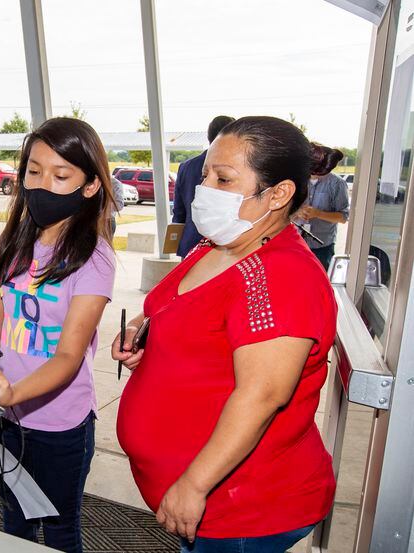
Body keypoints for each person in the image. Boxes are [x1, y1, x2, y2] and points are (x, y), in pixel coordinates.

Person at [112, 116, 336, 553]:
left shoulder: (283, 276)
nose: (204, 187)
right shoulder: (216, 243)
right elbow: (174, 309)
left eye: (224, 178)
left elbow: (261, 396)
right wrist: (143, 332)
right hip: (208, 499)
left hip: (242, 509)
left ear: (279, 194)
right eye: (206, 173)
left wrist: (195, 485)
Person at [0, 117, 116, 553]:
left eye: (61, 175)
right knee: (14, 518)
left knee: (61, 529)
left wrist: (11, 395)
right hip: (6, 418)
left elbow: (68, 357)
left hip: (61, 425)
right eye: (34, 171)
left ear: (89, 186)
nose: (43, 184)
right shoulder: (12, 243)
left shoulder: (93, 259)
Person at [172, 115, 235, 256]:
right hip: (222, 246)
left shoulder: (186, 167)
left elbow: (179, 212)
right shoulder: (236, 168)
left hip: (190, 244)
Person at [295, 143, 350, 270]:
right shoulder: (298, 179)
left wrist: (318, 214)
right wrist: (296, 212)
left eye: (319, 173)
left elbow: (343, 217)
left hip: (322, 248)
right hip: (295, 243)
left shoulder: (337, 184)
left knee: (318, 286)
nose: (313, 175)